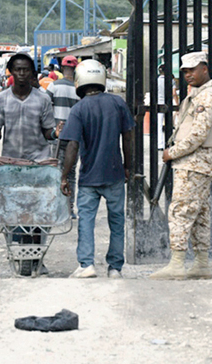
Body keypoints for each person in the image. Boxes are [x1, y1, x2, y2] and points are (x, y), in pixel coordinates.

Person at [150, 51, 212, 280]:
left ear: (205, 68)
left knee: (180, 211)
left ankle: (177, 264)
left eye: (193, 69)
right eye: (184, 71)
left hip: (195, 163)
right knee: (200, 214)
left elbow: (198, 135)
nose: (188, 75)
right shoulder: (198, 94)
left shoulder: (207, 97)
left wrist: (171, 152)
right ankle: (201, 264)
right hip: (199, 163)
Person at [59, 59, 134, 279]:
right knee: (117, 221)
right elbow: (128, 138)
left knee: (86, 220)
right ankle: (115, 268)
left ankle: (86, 264)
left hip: (89, 177)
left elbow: (71, 146)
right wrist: (128, 166)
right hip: (114, 174)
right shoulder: (118, 104)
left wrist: (64, 176)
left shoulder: (78, 109)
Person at [0, 52, 62, 275]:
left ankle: (37, 255)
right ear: (11, 71)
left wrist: (55, 133)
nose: (21, 74)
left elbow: (47, 131)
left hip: (38, 163)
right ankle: (19, 251)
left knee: (39, 212)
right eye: (17, 69)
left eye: (26, 70)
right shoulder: (1, 99)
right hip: (11, 164)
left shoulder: (43, 99)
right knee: (14, 212)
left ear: (32, 73)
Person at [46, 55, 80, 219]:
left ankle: (56, 209)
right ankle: (69, 209)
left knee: (56, 171)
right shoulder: (79, 88)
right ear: (75, 69)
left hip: (57, 137)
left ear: (61, 67)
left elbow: (45, 108)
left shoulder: (53, 86)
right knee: (71, 172)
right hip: (75, 136)